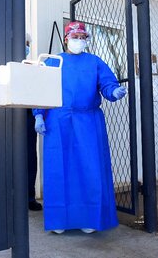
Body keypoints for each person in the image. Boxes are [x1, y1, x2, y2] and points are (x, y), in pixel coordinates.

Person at [33, 21, 126, 234]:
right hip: (58, 120)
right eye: (75, 37)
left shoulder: (95, 62)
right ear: (66, 38)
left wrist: (113, 92)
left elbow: (107, 84)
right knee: (59, 167)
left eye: (83, 37)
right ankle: (59, 220)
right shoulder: (54, 62)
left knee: (89, 167)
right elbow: (42, 90)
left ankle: (89, 218)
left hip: (88, 121)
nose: (79, 41)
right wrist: (38, 115)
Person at [0, 34, 42, 211]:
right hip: (2, 117)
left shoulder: (31, 68)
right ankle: (5, 199)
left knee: (29, 159)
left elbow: (38, 92)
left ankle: (28, 198)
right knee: (4, 158)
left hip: (26, 118)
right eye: (23, 44)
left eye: (27, 45)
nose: (25, 48)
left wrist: (40, 116)